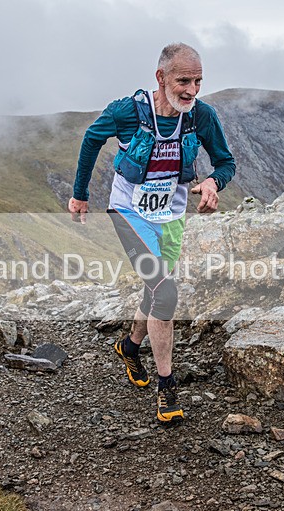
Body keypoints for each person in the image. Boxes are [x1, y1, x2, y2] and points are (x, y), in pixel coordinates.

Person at [68, 43, 235, 422]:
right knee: (166, 291)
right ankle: (167, 388)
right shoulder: (128, 111)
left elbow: (226, 162)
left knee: (155, 289)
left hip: (171, 217)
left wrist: (212, 183)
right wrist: (79, 195)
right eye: (183, 81)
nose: (191, 90)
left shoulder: (200, 116)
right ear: (161, 78)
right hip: (128, 212)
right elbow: (92, 138)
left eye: (197, 81)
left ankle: (130, 346)